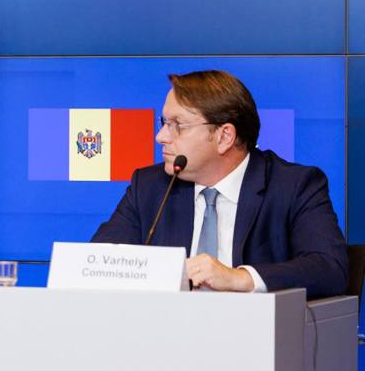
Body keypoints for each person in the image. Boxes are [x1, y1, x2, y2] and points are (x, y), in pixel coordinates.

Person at [91, 70, 347, 298]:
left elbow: (330, 268)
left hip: (257, 341)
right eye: (164, 123)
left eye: (177, 126)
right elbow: (100, 264)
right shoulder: (150, 186)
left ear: (225, 136)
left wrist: (239, 278)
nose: (161, 137)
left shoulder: (293, 186)